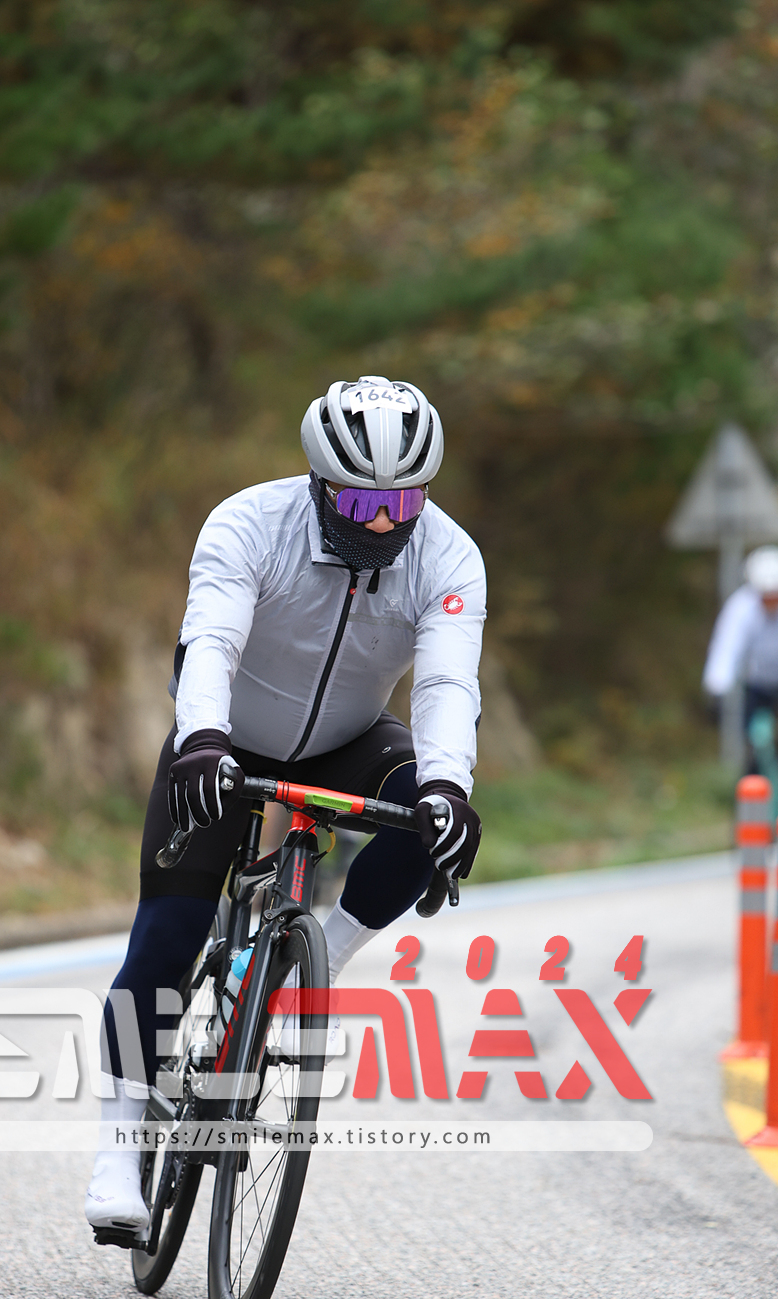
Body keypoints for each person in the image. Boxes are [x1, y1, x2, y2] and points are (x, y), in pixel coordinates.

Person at [85, 376, 487, 1234]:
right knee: (166, 936)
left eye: (402, 502)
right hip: (230, 737)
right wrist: (202, 738)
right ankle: (118, 1151)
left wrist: (450, 786)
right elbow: (212, 640)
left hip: (351, 738)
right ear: (317, 481)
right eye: (360, 501)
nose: (382, 523)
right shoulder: (248, 522)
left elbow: (448, 684)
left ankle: (321, 960)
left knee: (431, 817)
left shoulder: (450, 556)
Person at [702, 545, 778, 771]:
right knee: (748, 735)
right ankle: (751, 770)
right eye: (765, 596)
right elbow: (727, 647)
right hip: (756, 684)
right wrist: (716, 688)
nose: (771, 601)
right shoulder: (741, 606)